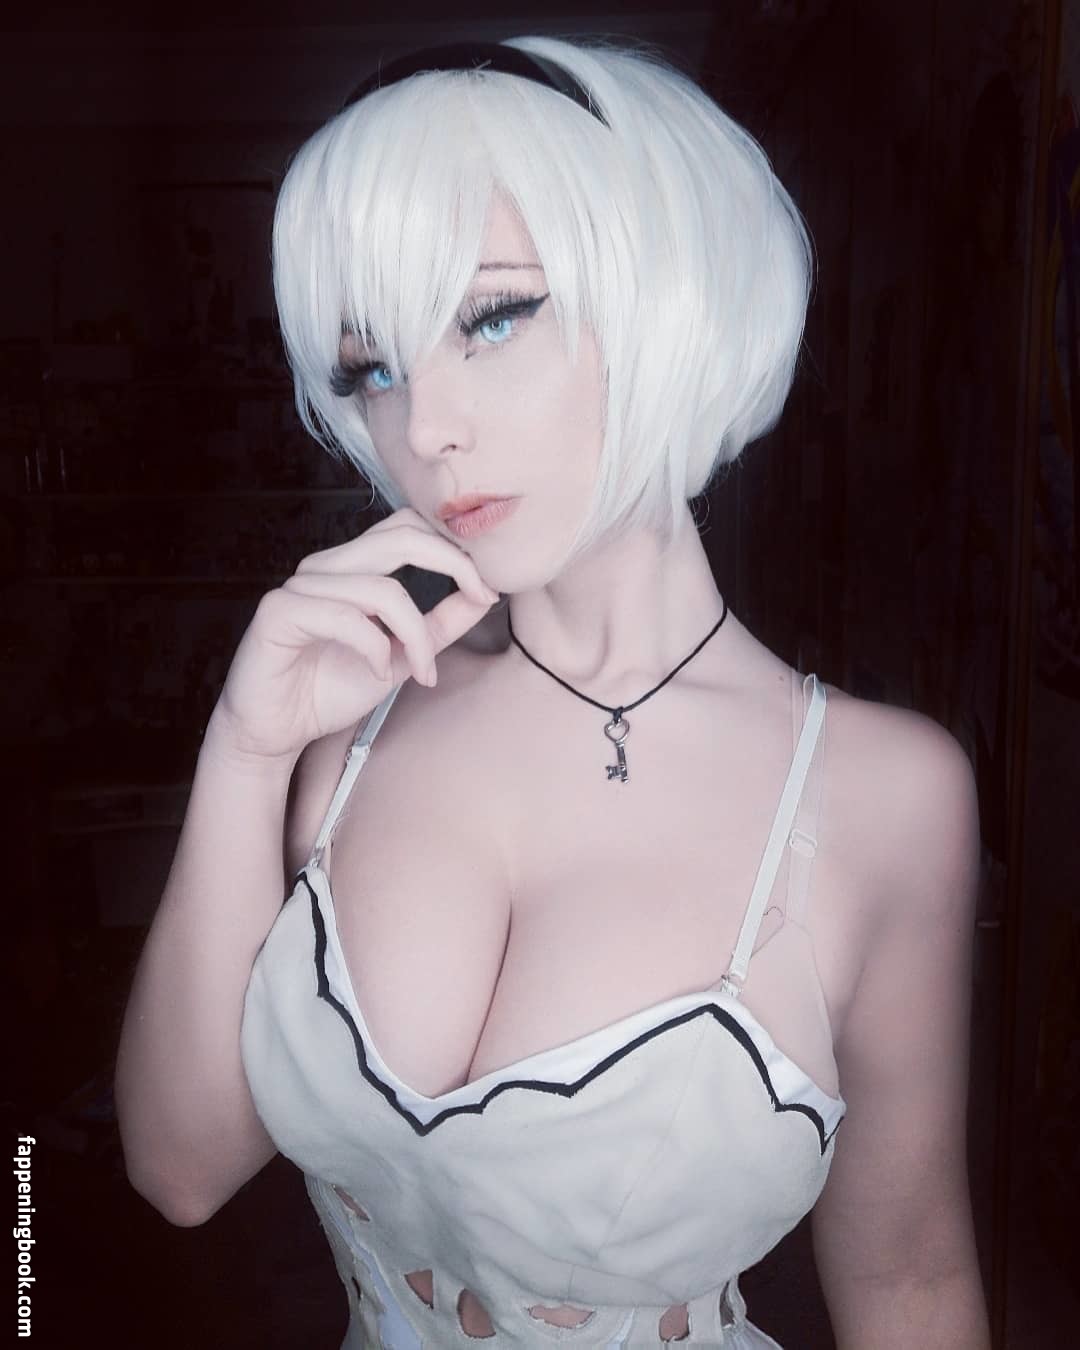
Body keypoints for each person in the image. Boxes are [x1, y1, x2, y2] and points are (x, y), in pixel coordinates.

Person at [114, 36, 991, 1349]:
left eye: (493, 318)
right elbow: (179, 1170)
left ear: (664, 300)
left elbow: (909, 1275)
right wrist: (244, 749)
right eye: (372, 367)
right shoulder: (348, 733)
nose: (426, 426)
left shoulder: (884, 794)